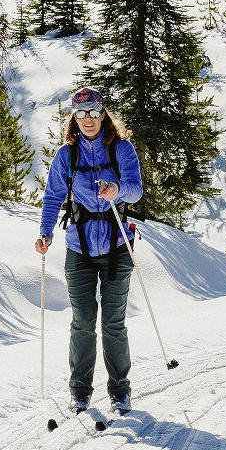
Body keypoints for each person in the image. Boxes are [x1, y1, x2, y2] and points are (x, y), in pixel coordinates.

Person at [35, 86, 143, 416]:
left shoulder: (122, 150)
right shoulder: (66, 156)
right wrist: (45, 231)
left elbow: (136, 190)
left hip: (116, 245)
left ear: (103, 113)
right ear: (74, 117)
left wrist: (116, 189)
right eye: (81, 114)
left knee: (113, 322)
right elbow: (53, 197)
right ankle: (80, 391)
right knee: (82, 321)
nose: (88, 119)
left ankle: (119, 391)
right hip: (78, 247)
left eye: (94, 112)